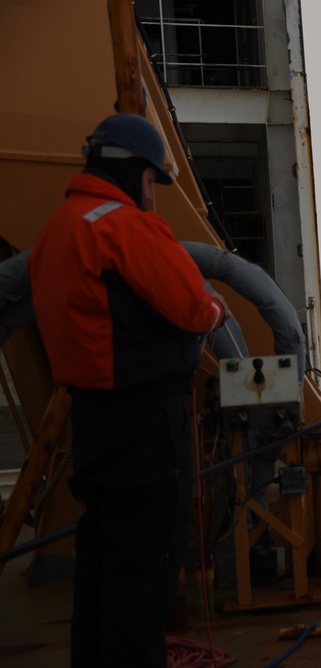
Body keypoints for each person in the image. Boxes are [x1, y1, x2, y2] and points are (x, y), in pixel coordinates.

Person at [27, 113, 229, 667]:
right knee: (146, 568)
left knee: (102, 560)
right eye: (151, 181)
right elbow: (192, 306)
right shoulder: (123, 226)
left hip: (93, 419)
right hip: (145, 425)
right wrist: (215, 309)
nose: (150, 194)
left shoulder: (59, 227)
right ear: (134, 170)